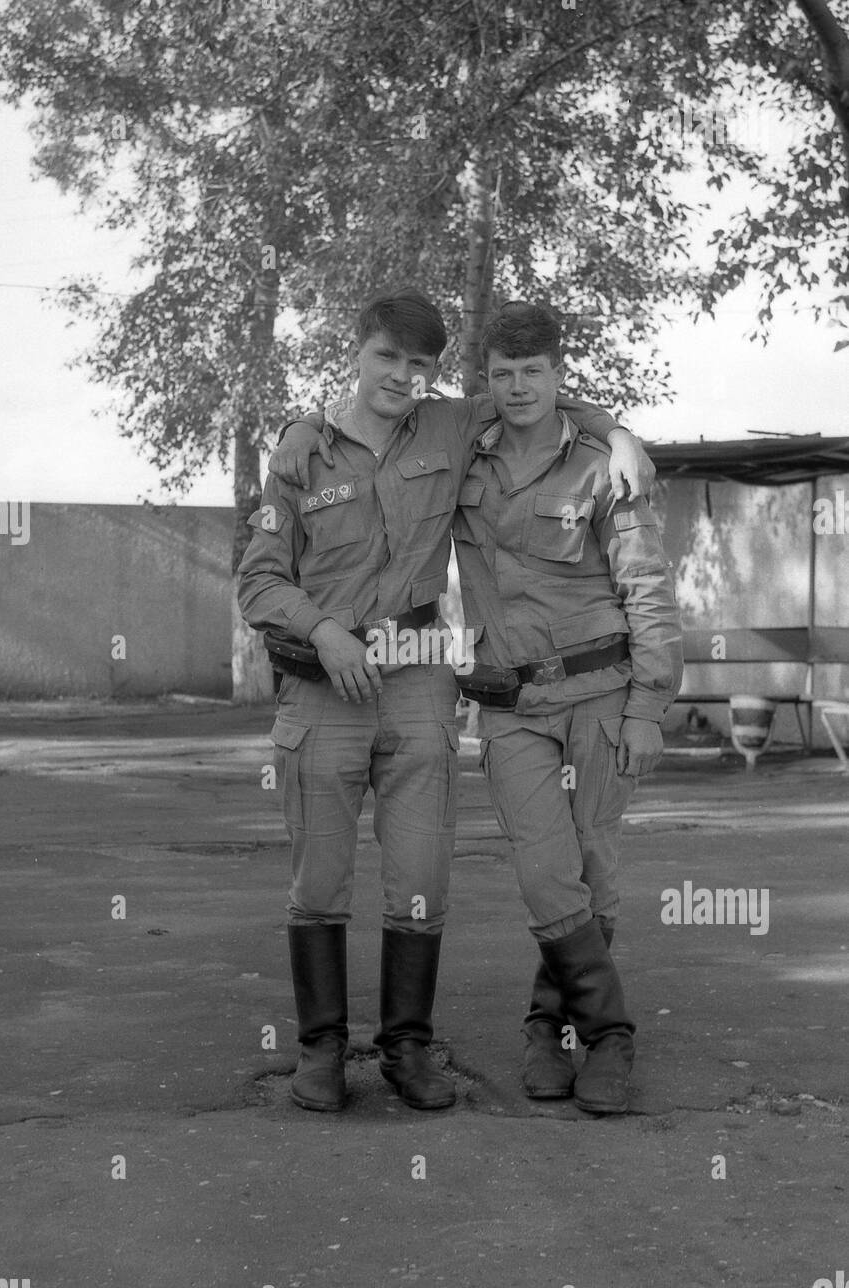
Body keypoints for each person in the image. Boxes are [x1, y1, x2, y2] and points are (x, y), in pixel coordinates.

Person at [239, 288, 654, 1114]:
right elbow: (258, 577)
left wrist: (619, 431)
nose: (401, 376)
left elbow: (535, 396)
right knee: (319, 878)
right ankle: (322, 1051)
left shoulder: (450, 426)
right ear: (356, 353)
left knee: (421, 878)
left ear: (434, 376)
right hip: (324, 686)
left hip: (420, 675)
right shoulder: (299, 452)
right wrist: (323, 632)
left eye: (419, 365)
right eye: (387, 357)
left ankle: (406, 1048)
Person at [451, 302, 684, 1113]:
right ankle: (612, 1033)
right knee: (543, 866)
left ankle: (552, 1031)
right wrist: (613, 420)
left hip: (603, 690)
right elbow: (398, 423)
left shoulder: (603, 467)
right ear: (487, 377)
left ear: (558, 372)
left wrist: (649, 705)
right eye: (503, 374)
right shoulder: (461, 452)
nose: (517, 388)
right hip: (511, 699)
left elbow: (648, 589)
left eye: (533, 373)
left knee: (593, 859)